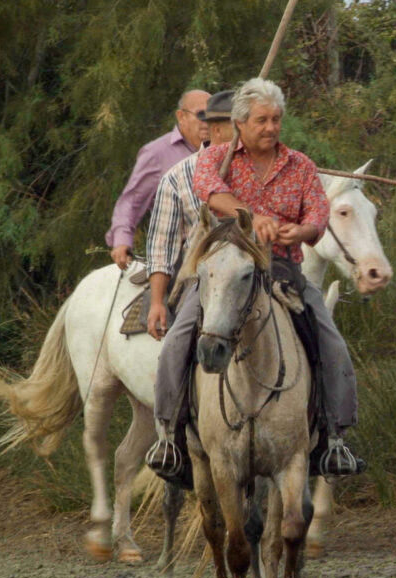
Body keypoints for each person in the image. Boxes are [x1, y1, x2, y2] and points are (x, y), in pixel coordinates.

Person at [146, 78, 365, 479]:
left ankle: (335, 438)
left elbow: (317, 216)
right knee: (179, 339)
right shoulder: (217, 159)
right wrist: (252, 217)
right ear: (241, 123)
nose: (270, 127)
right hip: (224, 268)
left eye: (276, 119)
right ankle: (170, 435)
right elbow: (211, 194)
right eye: (262, 120)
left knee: (330, 339)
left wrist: (300, 232)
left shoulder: (301, 165)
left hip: (282, 269)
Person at [144, 90, 236, 340]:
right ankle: (170, 379)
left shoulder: (261, 169)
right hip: (201, 282)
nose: (244, 132)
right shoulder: (176, 177)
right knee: (175, 351)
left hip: (251, 277)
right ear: (216, 129)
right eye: (236, 125)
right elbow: (161, 247)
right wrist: (157, 302)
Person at [106, 89, 211, 270]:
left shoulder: (222, 150)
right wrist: (122, 240)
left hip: (221, 248)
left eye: (213, 115)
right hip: (178, 253)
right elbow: (132, 201)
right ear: (181, 116)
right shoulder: (157, 153)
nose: (207, 122)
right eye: (201, 114)